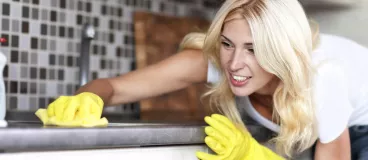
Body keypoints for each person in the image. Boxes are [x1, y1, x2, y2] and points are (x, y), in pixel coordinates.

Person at [41, 0, 368, 159]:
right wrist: (87, 98)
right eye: (228, 43)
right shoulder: (214, 60)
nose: (235, 63)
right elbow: (113, 87)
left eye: (254, 50)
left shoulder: (323, 79)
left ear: (279, 51)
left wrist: (254, 157)